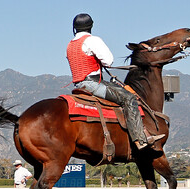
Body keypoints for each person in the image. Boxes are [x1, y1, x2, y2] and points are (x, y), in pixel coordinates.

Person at [66, 13, 164, 150]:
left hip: (78, 84)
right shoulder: (92, 40)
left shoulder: (70, 45)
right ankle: (140, 139)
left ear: (74, 27)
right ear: (91, 26)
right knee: (129, 98)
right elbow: (108, 61)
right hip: (92, 84)